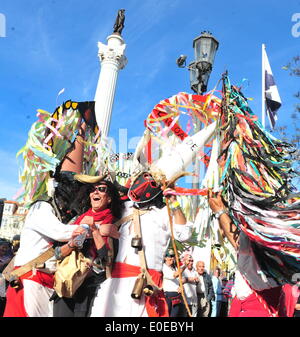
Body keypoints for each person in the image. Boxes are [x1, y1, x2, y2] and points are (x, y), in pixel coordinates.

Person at [52, 177, 123, 317]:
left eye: (101, 189)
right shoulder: (77, 220)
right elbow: (58, 254)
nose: (95, 192)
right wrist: (73, 242)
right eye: (92, 190)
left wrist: (95, 230)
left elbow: (107, 260)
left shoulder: (115, 224)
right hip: (67, 284)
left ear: (109, 199)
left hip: (92, 290)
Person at [208, 191, 282, 317]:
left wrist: (220, 212)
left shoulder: (266, 241)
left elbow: (237, 241)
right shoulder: (273, 244)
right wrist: (221, 211)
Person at [162, 249, 186, 317]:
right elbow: (174, 275)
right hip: (168, 296)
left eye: (173, 256)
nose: (172, 258)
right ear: (165, 258)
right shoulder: (164, 267)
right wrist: (184, 266)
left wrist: (181, 287)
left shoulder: (174, 268)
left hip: (177, 296)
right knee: (167, 315)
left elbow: (179, 280)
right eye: (170, 256)